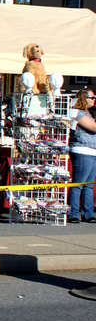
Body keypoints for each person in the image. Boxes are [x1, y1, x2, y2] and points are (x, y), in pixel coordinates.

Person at [67, 88, 96, 223]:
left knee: (89, 185)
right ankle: (73, 213)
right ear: (84, 98)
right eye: (92, 97)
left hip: (92, 151)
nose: (94, 100)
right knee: (78, 183)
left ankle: (88, 213)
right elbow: (94, 127)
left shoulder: (88, 113)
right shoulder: (77, 113)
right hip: (82, 151)